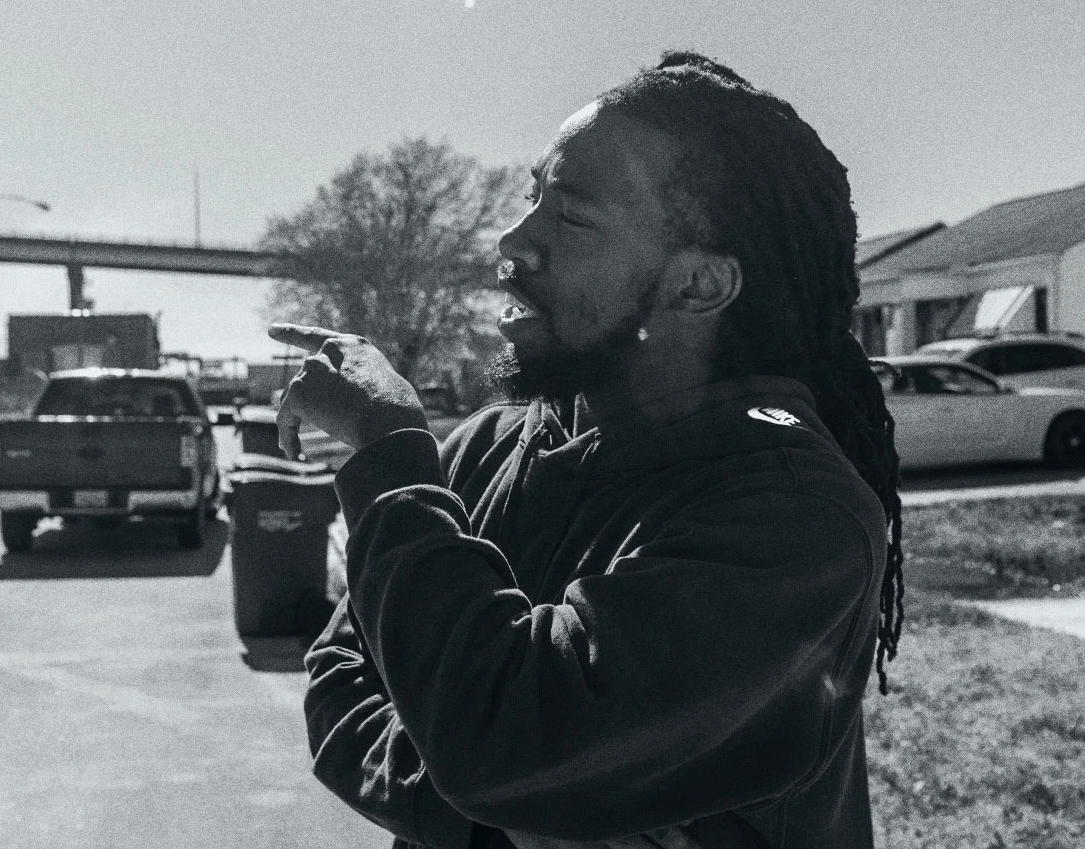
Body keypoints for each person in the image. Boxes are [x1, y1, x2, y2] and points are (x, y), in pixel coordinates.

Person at [274, 53, 904, 849]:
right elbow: (339, 673)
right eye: (532, 195)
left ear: (700, 285)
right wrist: (498, 819)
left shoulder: (796, 517)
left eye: (569, 217)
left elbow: (501, 742)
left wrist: (390, 453)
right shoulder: (484, 448)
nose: (512, 239)